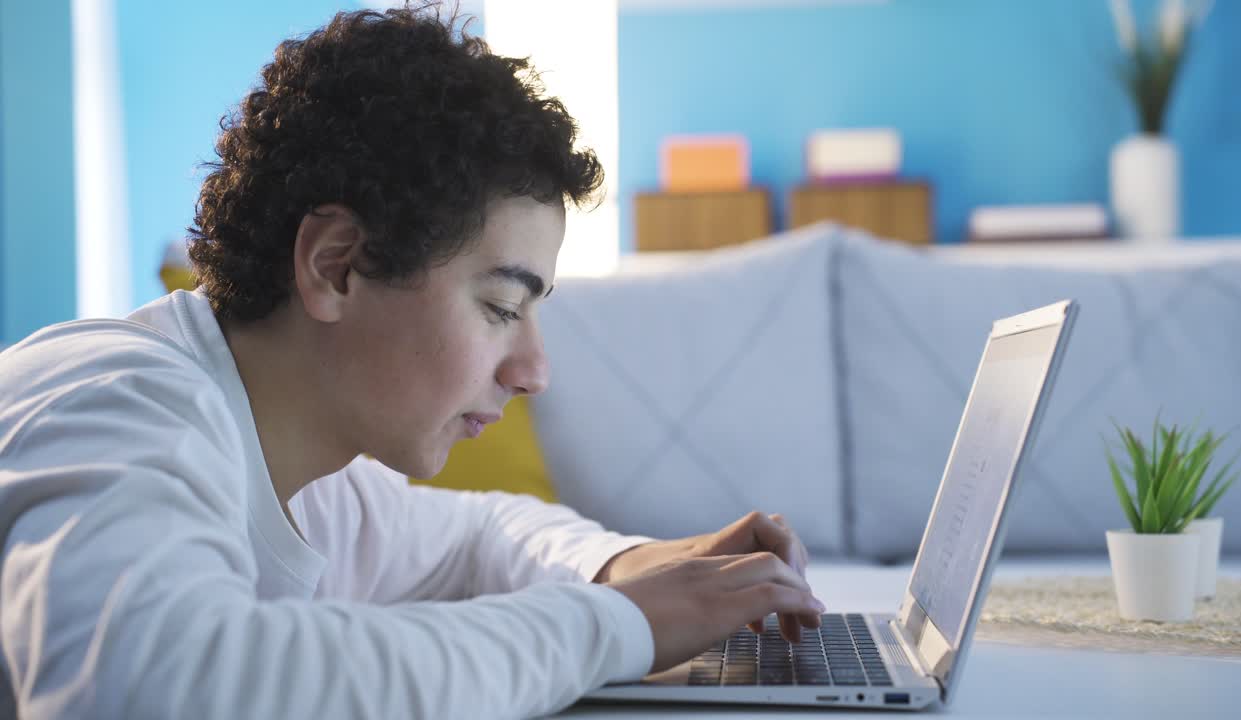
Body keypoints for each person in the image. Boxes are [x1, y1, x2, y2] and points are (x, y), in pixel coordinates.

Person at [0, 4, 824, 718]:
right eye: (503, 307)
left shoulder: (309, 474)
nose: (533, 370)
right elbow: (152, 691)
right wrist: (622, 626)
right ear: (336, 266)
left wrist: (632, 568)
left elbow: (478, 535)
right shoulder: (116, 407)